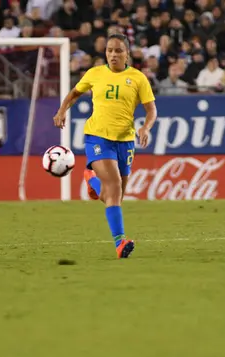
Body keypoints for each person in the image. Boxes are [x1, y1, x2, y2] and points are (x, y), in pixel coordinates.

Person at [53, 33, 157, 259]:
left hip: (126, 141)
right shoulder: (95, 73)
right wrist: (62, 110)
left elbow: (151, 110)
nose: (113, 54)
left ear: (127, 53)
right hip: (98, 137)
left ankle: (91, 180)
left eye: (118, 50)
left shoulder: (138, 78)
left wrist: (145, 128)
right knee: (115, 186)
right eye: (109, 50)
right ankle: (120, 243)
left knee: (115, 196)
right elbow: (74, 94)